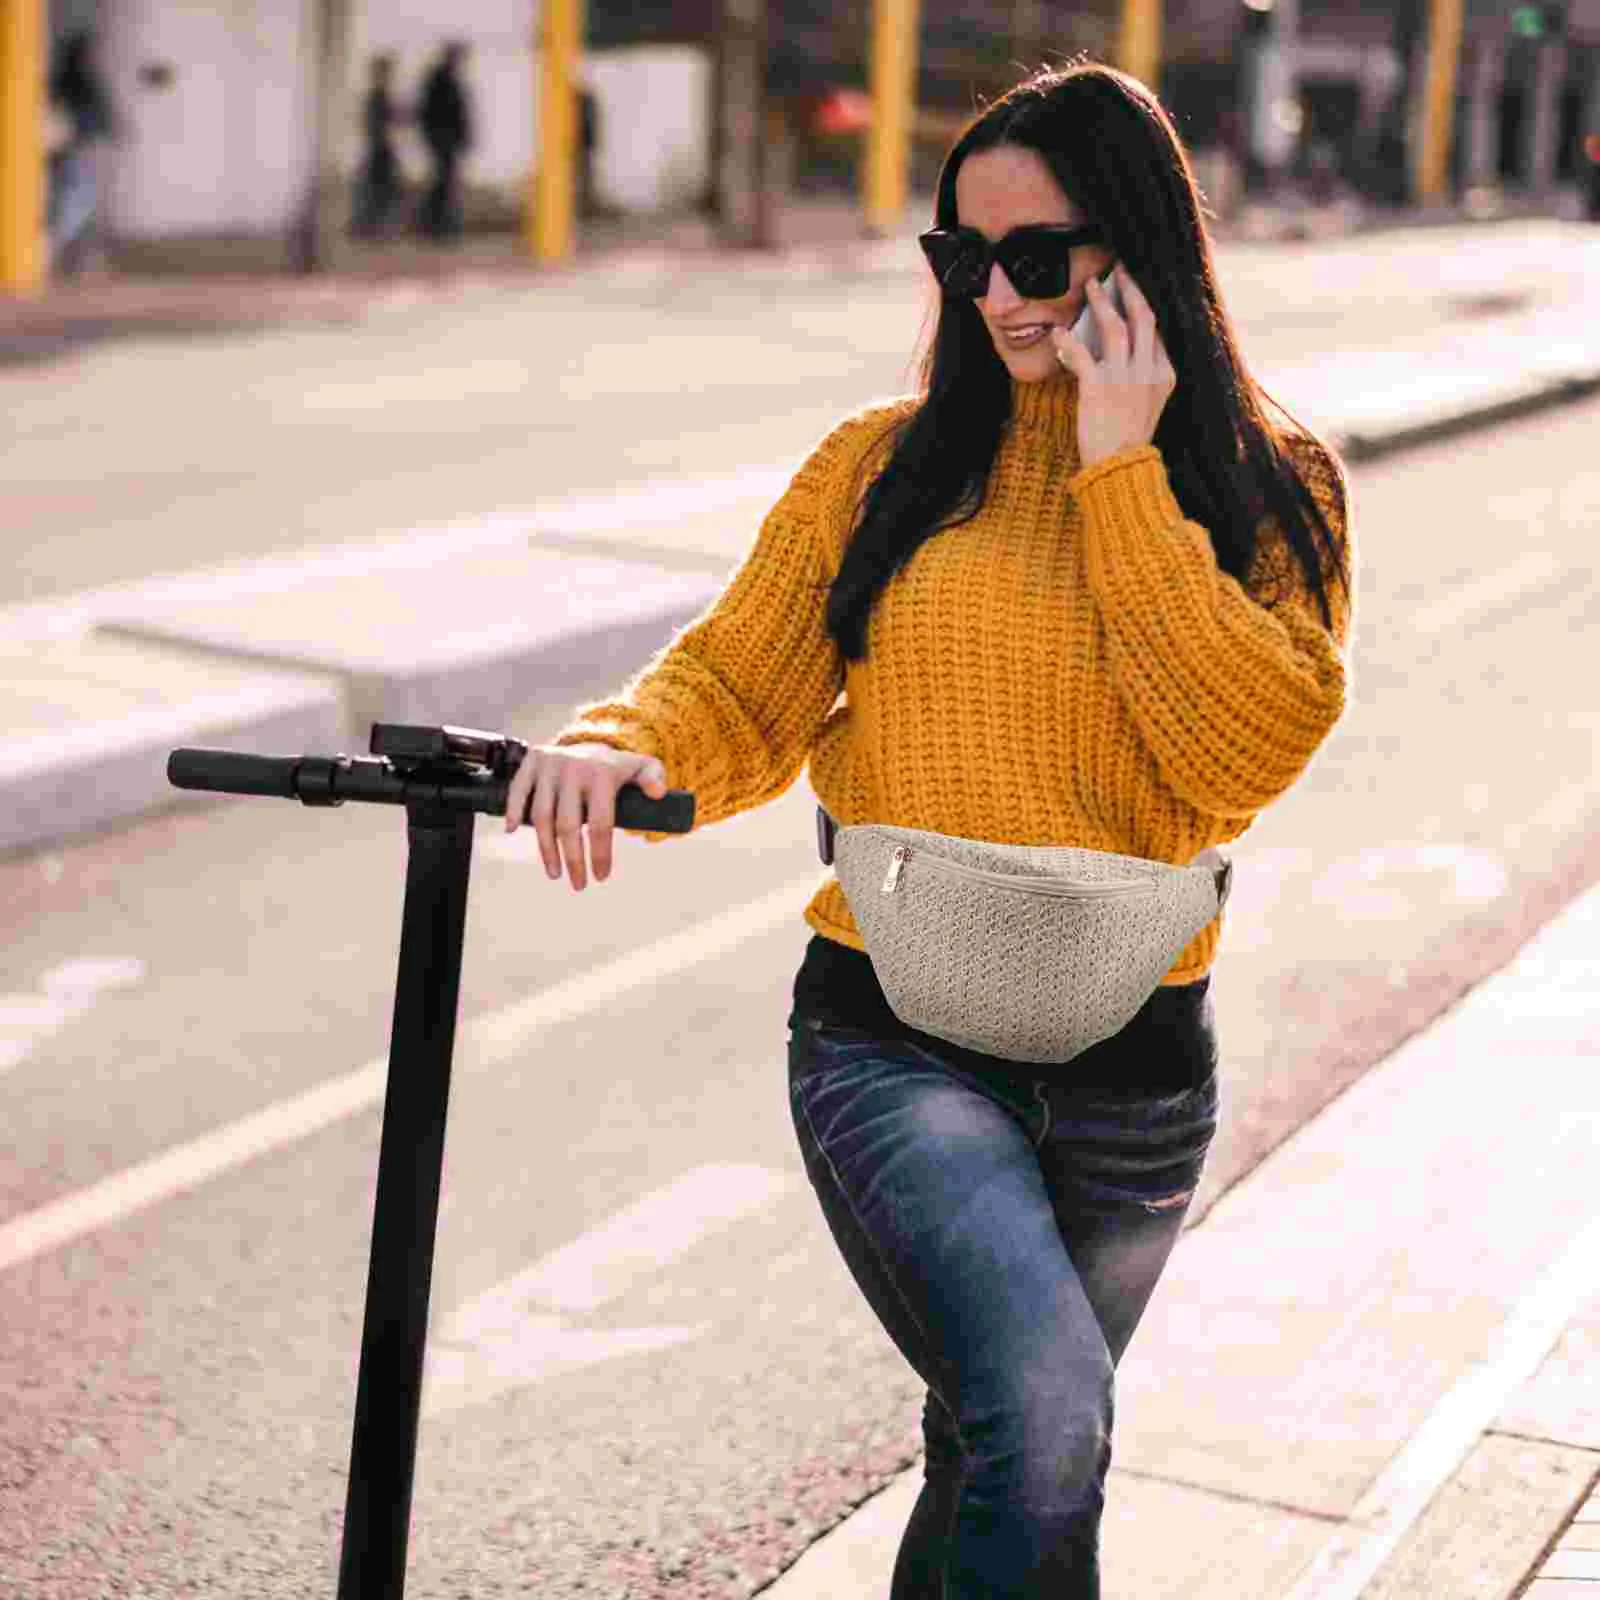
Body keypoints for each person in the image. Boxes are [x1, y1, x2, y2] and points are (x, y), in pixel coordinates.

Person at [503, 59, 1354, 1600]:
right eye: (965, 261)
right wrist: (619, 744)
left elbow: (1238, 750)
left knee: (1011, 1450)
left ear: (1140, 247)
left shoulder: (1270, 490)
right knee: (1041, 1412)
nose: (1000, 298)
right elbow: (737, 680)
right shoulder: (879, 469)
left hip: (1136, 1068)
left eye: (1038, 258)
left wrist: (1117, 468)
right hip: (894, 1032)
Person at [47, 29, 115, 279]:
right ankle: (54, 247)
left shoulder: (60, 80)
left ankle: (75, 258)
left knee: (73, 199)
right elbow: (99, 113)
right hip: (78, 148)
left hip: (67, 149)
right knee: (79, 201)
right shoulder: (80, 80)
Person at [415, 40, 472, 241]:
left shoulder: (450, 79)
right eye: (457, 56)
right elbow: (429, 111)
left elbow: (461, 114)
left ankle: (437, 227)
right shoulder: (439, 79)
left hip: (448, 141)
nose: (460, 61)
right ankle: (436, 228)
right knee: (443, 184)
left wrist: (465, 138)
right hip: (442, 140)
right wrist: (433, 136)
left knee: (444, 183)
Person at [351, 54, 403, 239]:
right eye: (386, 71)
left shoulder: (379, 96)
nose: (389, 76)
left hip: (380, 147)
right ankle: (369, 227)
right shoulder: (377, 96)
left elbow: (382, 122)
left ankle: (369, 227)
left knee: (378, 189)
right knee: (379, 189)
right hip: (380, 148)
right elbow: (376, 124)